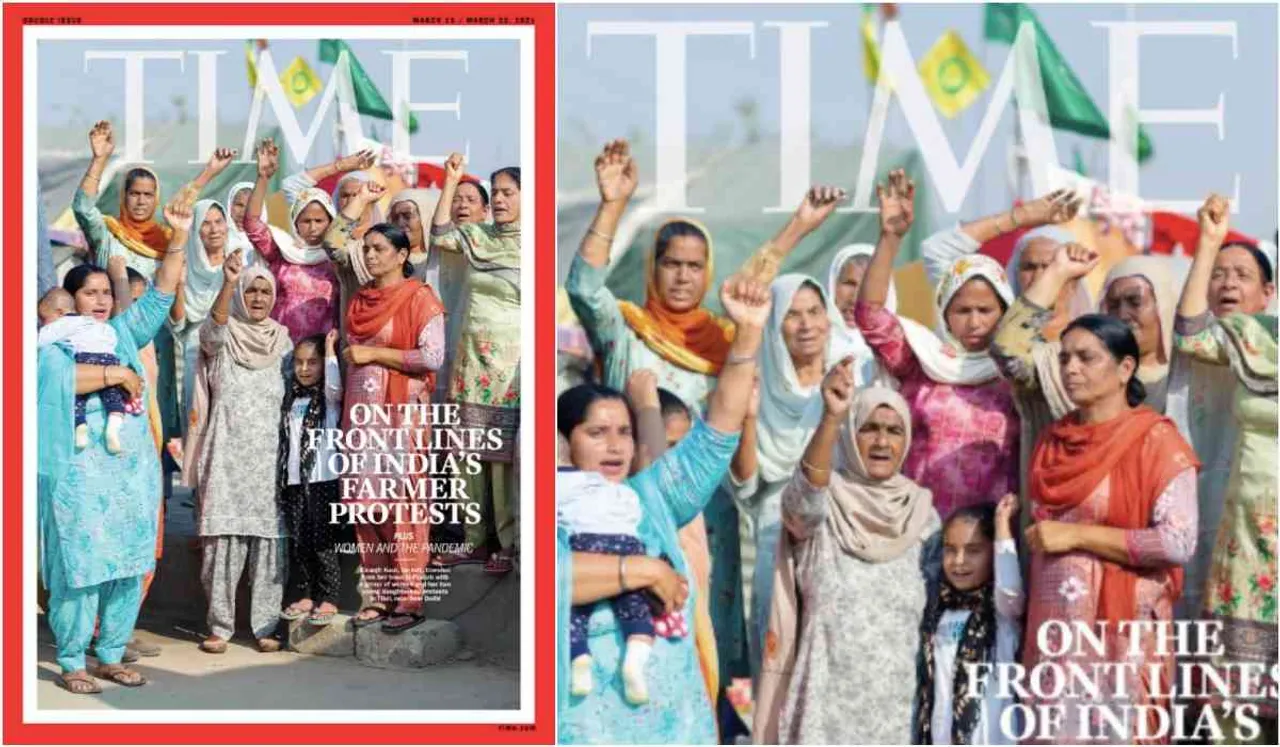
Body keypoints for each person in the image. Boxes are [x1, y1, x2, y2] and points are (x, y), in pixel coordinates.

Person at [557, 274, 767, 745]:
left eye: (624, 433)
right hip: (589, 725)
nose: (614, 447)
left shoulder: (649, 496)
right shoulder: (555, 506)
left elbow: (717, 435)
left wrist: (748, 335)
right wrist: (647, 571)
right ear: (563, 443)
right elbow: (551, 579)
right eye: (596, 433)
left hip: (676, 725)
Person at [1021, 314, 1198, 743]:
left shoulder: (1155, 440)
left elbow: (1178, 542)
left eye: (1086, 358)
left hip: (1125, 633)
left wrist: (1078, 536)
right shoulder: (1052, 441)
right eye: (1064, 359)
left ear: (1125, 369)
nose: (1071, 369)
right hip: (1056, 632)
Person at [37, 197, 187, 693]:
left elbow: (162, 293)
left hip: (129, 473)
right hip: (79, 472)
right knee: (80, 566)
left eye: (106, 292)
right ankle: (74, 659)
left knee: (127, 562)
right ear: (72, 299)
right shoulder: (55, 342)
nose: (101, 300)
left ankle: (111, 652)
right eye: (90, 293)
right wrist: (114, 373)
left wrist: (180, 235)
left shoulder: (121, 331)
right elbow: (60, 380)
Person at [754, 382, 939, 744]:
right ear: (849, 436)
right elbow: (802, 500)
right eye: (868, 428)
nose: (882, 442)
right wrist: (831, 416)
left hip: (898, 710)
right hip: (825, 707)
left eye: (894, 430)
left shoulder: (923, 516)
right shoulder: (826, 504)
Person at [1173, 194, 1277, 740]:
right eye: (1222, 275)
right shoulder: (1255, 339)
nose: (1228, 283)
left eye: (1241, 274)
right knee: (1238, 714)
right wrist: (1209, 241)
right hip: (1251, 536)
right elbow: (1190, 334)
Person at [855, 169, 1018, 518]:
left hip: (993, 536)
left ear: (1004, 311)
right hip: (919, 526)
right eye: (962, 310)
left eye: (985, 310)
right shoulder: (924, 360)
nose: (974, 322)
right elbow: (870, 316)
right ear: (944, 313)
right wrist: (889, 239)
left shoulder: (1017, 371)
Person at [71, 121, 229, 445]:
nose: (141, 201)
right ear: (124, 196)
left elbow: (181, 210)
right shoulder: (108, 234)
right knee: (115, 420)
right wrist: (99, 159)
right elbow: (83, 208)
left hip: (158, 344)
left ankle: (160, 495)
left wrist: (208, 173)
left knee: (156, 421)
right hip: (113, 341)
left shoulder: (167, 240)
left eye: (148, 195)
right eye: (134, 194)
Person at [183, 252, 293, 654]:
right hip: (227, 451)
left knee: (270, 544)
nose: (260, 297)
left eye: (266, 291)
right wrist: (228, 283)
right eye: (252, 290)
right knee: (221, 544)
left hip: (269, 456)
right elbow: (210, 333)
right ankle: (220, 626)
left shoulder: (283, 340)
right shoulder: (224, 334)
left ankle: (266, 626)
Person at [341, 223, 445, 634]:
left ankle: (410, 598)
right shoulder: (360, 300)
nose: (369, 256)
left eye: (379, 249)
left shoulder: (420, 298)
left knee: (403, 505)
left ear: (402, 255)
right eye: (366, 248)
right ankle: (379, 595)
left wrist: (374, 353)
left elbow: (433, 356)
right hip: (362, 417)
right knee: (367, 505)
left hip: (402, 416)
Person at [728, 275, 832, 677]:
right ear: (774, 325)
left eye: (814, 312)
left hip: (837, 528)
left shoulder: (851, 377)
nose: (806, 325)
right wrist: (751, 418)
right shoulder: (758, 383)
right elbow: (746, 480)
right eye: (792, 315)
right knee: (780, 658)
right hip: (776, 531)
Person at [428, 153, 522, 575]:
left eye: (507, 193)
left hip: (511, 364)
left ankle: (507, 541)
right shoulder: (477, 236)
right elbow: (439, 233)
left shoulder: (538, 245)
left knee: (500, 457)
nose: (499, 200)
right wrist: (449, 181)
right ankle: (472, 540)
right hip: (469, 359)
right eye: (496, 192)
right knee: (467, 453)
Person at [915, 497, 1024, 745]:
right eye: (950, 549)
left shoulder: (1001, 613)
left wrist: (1002, 524)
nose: (959, 560)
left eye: (973, 550)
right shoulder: (938, 612)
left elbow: (1009, 588)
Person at [920, 189, 1088, 342]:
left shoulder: (1094, 339)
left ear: (1074, 279)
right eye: (1029, 267)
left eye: (1050, 266)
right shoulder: (988, 332)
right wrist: (1021, 216)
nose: (1038, 277)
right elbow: (937, 251)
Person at [558, 469, 662, 704]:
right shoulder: (624, 489)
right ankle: (634, 662)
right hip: (628, 543)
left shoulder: (558, 482)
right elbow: (635, 515)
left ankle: (579, 657)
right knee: (636, 608)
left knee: (573, 610)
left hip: (584, 544)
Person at [170, 199, 256, 437]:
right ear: (196, 230)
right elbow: (178, 322)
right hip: (195, 348)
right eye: (206, 224)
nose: (214, 229)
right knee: (198, 418)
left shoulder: (242, 259)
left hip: (233, 345)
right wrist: (179, 284)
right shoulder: (185, 263)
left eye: (219, 221)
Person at [277, 330, 344, 628]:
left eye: (312, 362)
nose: (304, 369)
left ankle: (328, 596)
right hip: (293, 481)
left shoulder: (328, 401)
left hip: (323, 479)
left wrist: (330, 349)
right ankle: (305, 594)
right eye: (299, 363)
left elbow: (333, 385)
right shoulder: (290, 397)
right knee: (300, 541)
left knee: (323, 540)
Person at [243, 137, 341, 342]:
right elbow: (252, 223)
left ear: (330, 222)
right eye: (306, 221)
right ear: (295, 223)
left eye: (319, 220)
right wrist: (262, 178)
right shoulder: (283, 251)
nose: (313, 227)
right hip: (281, 346)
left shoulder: (338, 257)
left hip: (323, 351)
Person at [37, 293, 138, 453]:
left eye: (43, 319)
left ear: (59, 312)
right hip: (110, 359)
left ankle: (80, 426)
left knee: (77, 397)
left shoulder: (63, 322)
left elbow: (40, 340)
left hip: (84, 360)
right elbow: (111, 339)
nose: (43, 324)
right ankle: (114, 425)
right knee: (113, 396)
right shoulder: (96, 323)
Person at [825, 243, 897, 386]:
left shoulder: (900, 346)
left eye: (868, 286)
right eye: (849, 283)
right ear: (832, 285)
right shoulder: (813, 343)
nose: (856, 297)